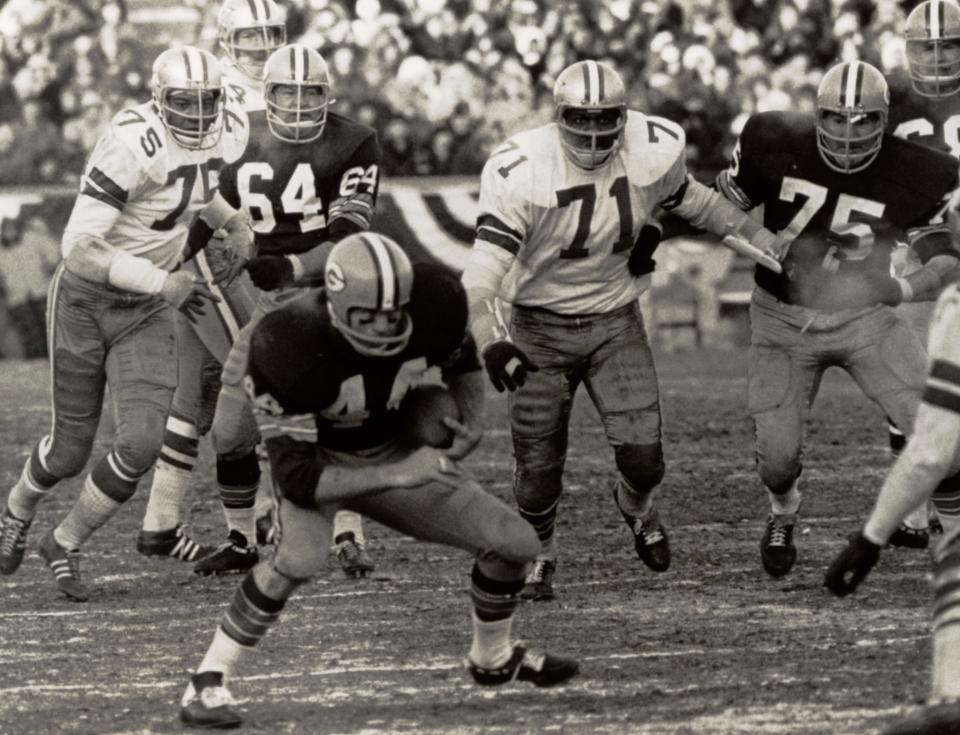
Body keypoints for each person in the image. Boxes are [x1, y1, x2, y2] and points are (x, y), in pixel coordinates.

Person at [178, 233, 579, 728]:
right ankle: (208, 679)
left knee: (516, 543)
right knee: (297, 558)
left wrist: (471, 422)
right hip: (323, 458)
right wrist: (397, 474)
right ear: (338, 306)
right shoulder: (287, 342)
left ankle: (493, 658)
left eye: (394, 315)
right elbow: (299, 480)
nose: (385, 327)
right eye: (369, 317)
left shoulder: (434, 300)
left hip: (392, 443)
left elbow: (462, 360)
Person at [459, 59, 787, 601]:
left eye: (604, 119)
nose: (592, 133)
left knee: (644, 457)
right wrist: (492, 340)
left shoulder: (652, 149)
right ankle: (540, 553)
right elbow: (479, 279)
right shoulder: (521, 169)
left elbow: (702, 206)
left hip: (615, 320)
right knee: (539, 470)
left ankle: (635, 508)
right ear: (558, 118)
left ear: (624, 116)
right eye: (579, 121)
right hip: (538, 328)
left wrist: (767, 243)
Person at [0, 45, 254, 601]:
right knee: (69, 452)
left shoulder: (227, 130)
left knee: (140, 444)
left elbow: (196, 192)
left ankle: (62, 543)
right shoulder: (130, 142)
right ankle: (18, 507)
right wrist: (162, 281)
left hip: (144, 312)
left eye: (206, 102)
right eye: (183, 104)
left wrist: (235, 225)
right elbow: (78, 248)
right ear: (160, 101)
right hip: (86, 302)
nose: (197, 115)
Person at [712, 59, 960, 580]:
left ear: (884, 120)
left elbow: (944, 258)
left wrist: (899, 288)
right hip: (780, 319)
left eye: (865, 121)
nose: (850, 134)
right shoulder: (772, 138)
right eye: (837, 119)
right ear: (817, 115)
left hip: (866, 318)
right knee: (776, 460)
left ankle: (954, 537)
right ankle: (783, 511)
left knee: (943, 435)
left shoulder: (921, 167)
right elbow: (719, 208)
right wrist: (755, 239)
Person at [189, 43, 383, 578]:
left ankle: (348, 533)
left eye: (310, 94)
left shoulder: (353, 141)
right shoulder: (237, 134)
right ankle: (241, 537)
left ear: (329, 95)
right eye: (286, 94)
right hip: (273, 301)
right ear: (265, 93)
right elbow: (209, 205)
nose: (298, 107)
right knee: (230, 430)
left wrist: (291, 267)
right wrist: (177, 261)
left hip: (332, 293)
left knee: (334, 413)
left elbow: (348, 238)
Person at [136, 0, 286, 569]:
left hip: (259, 249)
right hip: (219, 251)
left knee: (197, 390)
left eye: (271, 33)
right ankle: (276, 511)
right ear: (226, 40)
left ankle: (161, 521)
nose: (262, 45)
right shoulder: (208, 88)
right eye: (251, 36)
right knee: (261, 372)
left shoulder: (291, 84)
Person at [879, 0, 960, 550]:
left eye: (948, 44)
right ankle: (914, 507)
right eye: (926, 46)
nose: (936, 55)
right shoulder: (885, 94)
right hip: (908, 245)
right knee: (910, 375)